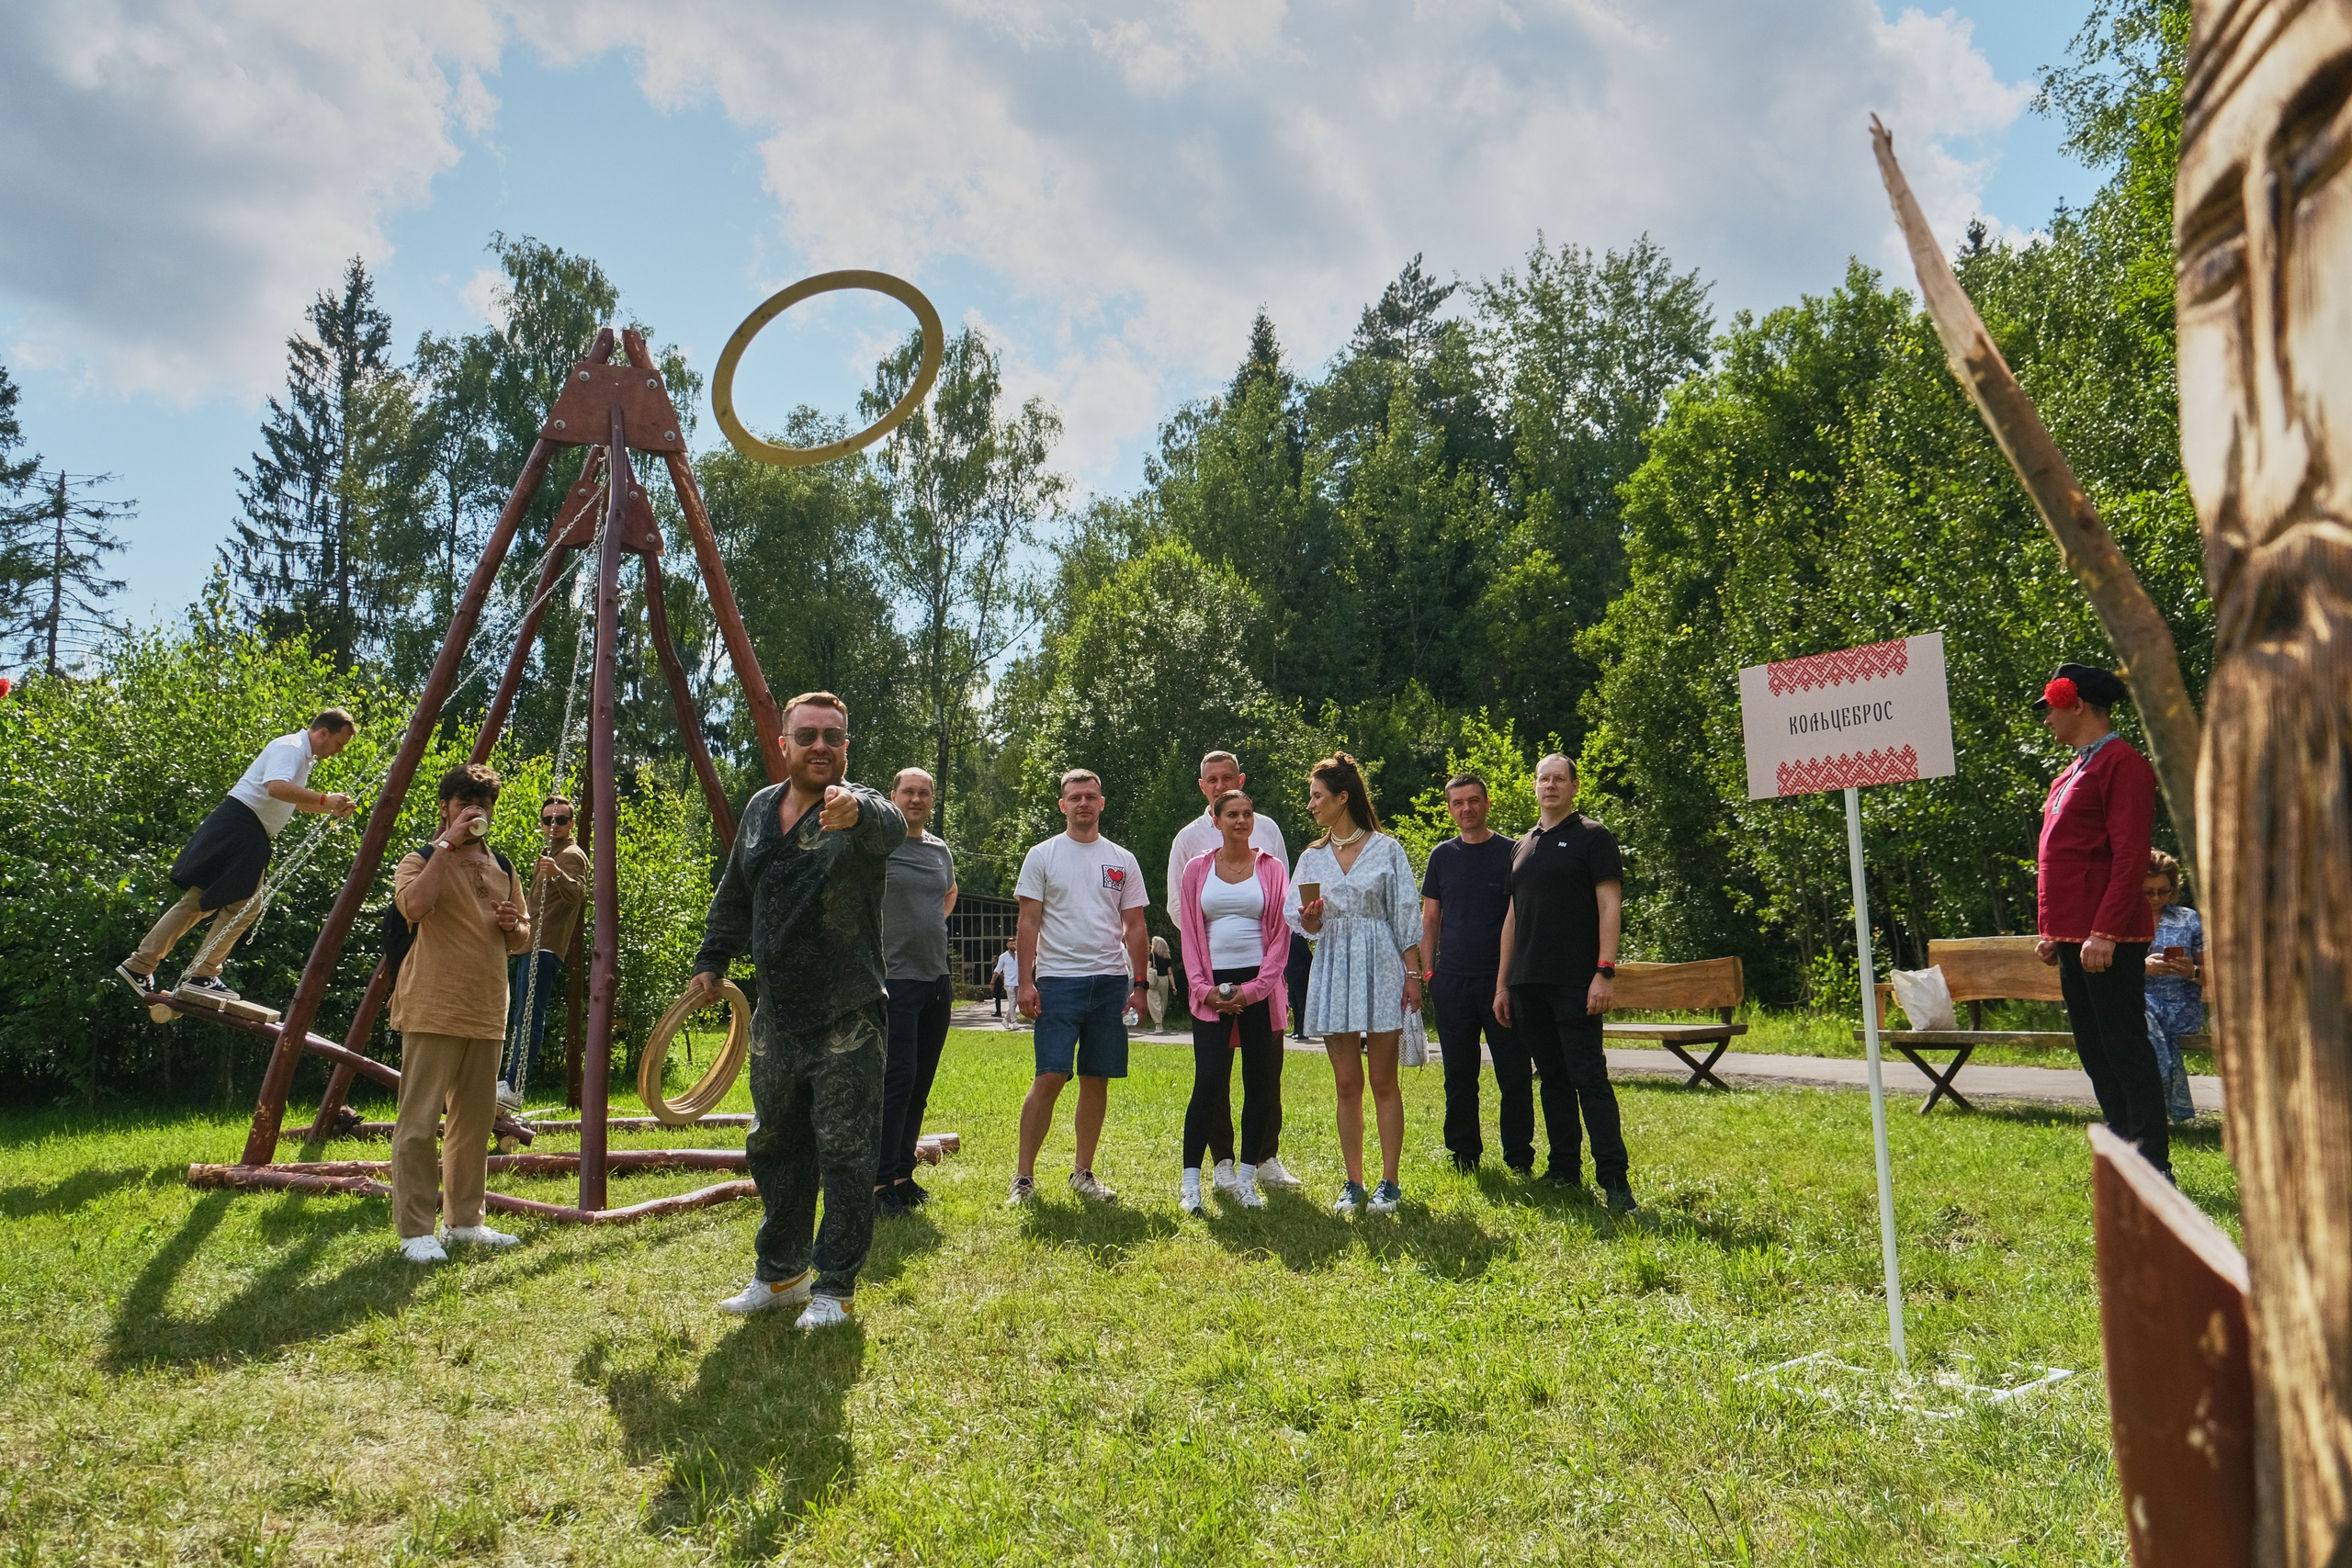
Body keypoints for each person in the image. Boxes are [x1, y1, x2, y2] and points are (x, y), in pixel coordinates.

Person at [685, 692, 905, 1326]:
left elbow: (889, 824)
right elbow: (735, 892)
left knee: (845, 1150)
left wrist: (855, 809)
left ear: (845, 747)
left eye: (832, 736)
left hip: (849, 1014)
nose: (819, 746)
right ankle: (780, 1274)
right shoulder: (759, 809)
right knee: (775, 1142)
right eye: (806, 735)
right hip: (777, 1017)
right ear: (783, 743)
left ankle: (834, 1286)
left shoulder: (860, 807)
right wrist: (712, 959)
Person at [2031, 662, 2170, 1177]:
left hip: (2105, 937)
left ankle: (2154, 1166)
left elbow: (2130, 855)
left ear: (2076, 704)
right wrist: (2053, 930)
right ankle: (2125, 1158)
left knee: (2124, 1048)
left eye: (2049, 708)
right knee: (2095, 1050)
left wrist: (2105, 931)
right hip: (2075, 936)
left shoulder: (2123, 764)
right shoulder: (2070, 771)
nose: (2046, 719)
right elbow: (2065, 857)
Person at [388, 763, 530, 1262]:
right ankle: (415, 1233)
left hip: (488, 1008)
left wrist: (514, 925)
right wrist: (446, 846)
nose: (477, 813)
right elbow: (414, 907)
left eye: (485, 805)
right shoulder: (421, 857)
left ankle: (465, 1221)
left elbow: (522, 940)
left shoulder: (504, 866)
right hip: (432, 1006)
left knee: (472, 1124)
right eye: (466, 804)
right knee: (419, 1122)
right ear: (446, 807)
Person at [116, 710, 358, 999]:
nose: (339, 751)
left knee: (199, 902)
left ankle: (141, 966)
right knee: (244, 907)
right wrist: (323, 799)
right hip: (243, 829)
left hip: (240, 828)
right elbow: (277, 788)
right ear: (323, 733)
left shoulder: (300, 755)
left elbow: (286, 799)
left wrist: (328, 806)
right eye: (340, 744)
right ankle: (200, 974)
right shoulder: (291, 748)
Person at [1494, 753, 1638, 1212]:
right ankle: (1563, 1172)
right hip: (1527, 983)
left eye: (1559, 779)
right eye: (1543, 779)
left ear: (1574, 787)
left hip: (1577, 982)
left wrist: (1605, 970)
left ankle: (1615, 1181)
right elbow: (1511, 920)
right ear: (1534, 787)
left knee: (1588, 1077)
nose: (1550, 785)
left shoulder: (1594, 838)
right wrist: (1502, 985)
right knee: (1551, 1078)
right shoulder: (1521, 845)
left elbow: (1609, 907)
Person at [1288, 752, 1423, 1214]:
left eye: (1317, 796)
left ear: (1342, 797)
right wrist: (1309, 919)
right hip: (1332, 966)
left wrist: (1413, 974)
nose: (1311, 805)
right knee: (1347, 1083)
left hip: (1383, 966)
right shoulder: (1311, 857)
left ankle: (1390, 1181)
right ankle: (1354, 1182)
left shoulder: (1387, 850)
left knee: (1383, 1080)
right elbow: (1300, 921)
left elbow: (1405, 914)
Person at [1009, 769, 1148, 1205]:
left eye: (1091, 796)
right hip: (1057, 983)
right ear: (1062, 805)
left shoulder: (1122, 859)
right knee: (1050, 1075)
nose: (1083, 803)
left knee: (1096, 1078)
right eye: (1075, 797)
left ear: (1102, 803)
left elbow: (1136, 925)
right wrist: (1026, 981)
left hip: (1109, 982)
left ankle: (1083, 1172)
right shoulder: (1043, 855)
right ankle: (1023, 1178)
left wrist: (1139, 984)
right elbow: (1028, 922)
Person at [1164, 750, 1302, 1190]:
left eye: (1228, 777)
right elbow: (1178, 908)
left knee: (1266, 1070)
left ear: (1241, 779)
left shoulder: (1268, 831)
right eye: (1212, 780)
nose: (1220, 785)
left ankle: (1265, 1158)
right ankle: (1222, 1160)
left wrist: (1263, 979)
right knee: (1214, 1076)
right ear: (1202, 786)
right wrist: (1204, 978)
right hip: (1212, 973)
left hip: (1263, 976)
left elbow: (1284, 900)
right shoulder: (1188, 841)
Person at [1419, 772, 1533, 1174]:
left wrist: (1508, 981)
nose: (1466, 808)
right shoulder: (1442, 856)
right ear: (1450, 809)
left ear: (1487, 803)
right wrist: (1429, 973)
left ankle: (1519, 1157)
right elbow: (1430, 918)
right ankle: (1464, 1154)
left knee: (1514, 1075)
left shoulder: (1513, 851)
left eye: (1473, 801)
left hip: (1502, 984)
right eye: (1457, 802)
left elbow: (1520, 917)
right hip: (1452, 982)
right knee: (1459, 1076)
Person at [876, 767, 957, 1216]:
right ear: (893, 796)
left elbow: (949, 891)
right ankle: (878, 1181)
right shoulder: (879, 845)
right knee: (896, 1080)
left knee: (920, 1082)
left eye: (924, 792)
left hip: (936, 980)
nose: (917, 798)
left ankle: (904, 1175)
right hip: (894, 979)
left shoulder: (938, 848)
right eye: (908, 791)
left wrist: (929, 923)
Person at [497, 794, 587, 1111]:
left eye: (561, 819)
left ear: (571, 823)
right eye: (549, 820)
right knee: (521, 1015)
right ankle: (509, 1082)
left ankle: (514, 1086)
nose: (554, 825)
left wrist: (557, 874)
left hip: (545, 945)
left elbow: (579, 893)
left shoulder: (571, 854)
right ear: (541, 824)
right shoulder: (550, 854)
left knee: (530, 1017)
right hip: (530, 944)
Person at [2142, 848, 2203, 1125]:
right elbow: (2107, 971)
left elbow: (2212, 975)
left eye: (2163, 891)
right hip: (2139, 1004)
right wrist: (2141, 968)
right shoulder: (2122, 919)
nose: (2156, 899)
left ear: (2174, 889)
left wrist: (2192, 971)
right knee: (2138, 1012)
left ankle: (2147, 1112)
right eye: (2148, 892)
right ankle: (2157, 1110)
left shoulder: (2188, 919)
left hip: (2181, 1007)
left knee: (2137, 1015)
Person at [1284, 931, 1314, 1041]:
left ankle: (1302, 1031)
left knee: (1302, 1002)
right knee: (1294, 1002)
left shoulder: (1298, 937)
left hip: (1301, 975)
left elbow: (1308, 956)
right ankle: (1296, 1029)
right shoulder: (1288, 936)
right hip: (1291, 975)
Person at [1146, 935, 1175, 1029]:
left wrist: (1147, 980)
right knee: (1163, 1001)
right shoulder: (1167, 958)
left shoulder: (1152, 955)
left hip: (1153, 979)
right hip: (1164, 979)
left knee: (1153, 1000)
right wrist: (1173, 986)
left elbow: (1148, 968)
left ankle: (1158, 1024)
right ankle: (1160, 1021)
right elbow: (1170, 973)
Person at [991, 939, 1018, 1026]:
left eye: (1015, 943)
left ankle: (1006, 1019)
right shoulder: (1003, 957)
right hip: (1009, 982)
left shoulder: (1019, 955)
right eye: (1011, 943)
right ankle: (1014, 1021)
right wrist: (992, 982)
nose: (1013, 945)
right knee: (1012, 1001)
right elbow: (998, 970)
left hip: (1018, 982)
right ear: (1007, 945)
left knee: (1015, 1002)